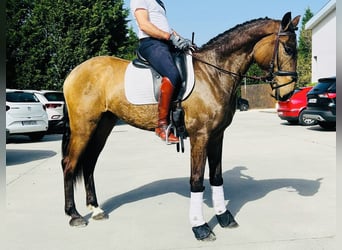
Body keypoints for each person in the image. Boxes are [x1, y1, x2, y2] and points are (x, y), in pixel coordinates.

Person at [130, 0, 193, 144]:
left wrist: (181, 39)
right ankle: (162, 126)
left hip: (165, 43)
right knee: (172, 74)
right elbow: (144, 25)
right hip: (151, 43)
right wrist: (169, 37)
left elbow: (167, 28)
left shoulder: (159, 2)